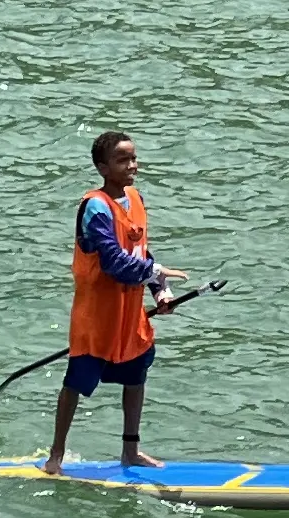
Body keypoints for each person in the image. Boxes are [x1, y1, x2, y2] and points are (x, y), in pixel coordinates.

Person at [44, 129, 197, 474]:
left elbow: (140, 252)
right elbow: (114, 262)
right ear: (102, 168)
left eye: (133, 158)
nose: (132, 165)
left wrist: (160, 290)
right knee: (76, 383)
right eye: (122, 160)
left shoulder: (135, 199)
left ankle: (131, 451)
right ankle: (56, 456)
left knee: (136, 376)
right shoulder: (95, 208)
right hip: (97, 318)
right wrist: (157, 271)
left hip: (129, 314)